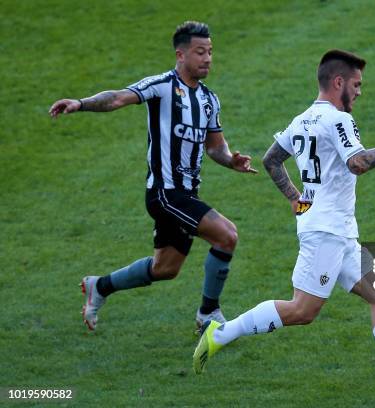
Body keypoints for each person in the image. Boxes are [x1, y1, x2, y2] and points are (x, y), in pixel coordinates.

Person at [192, 49, 375, 397]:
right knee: (303, 310)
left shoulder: (302, 119)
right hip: (326, 231)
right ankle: (220, 334)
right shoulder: (338, 120)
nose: (360, 92)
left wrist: (294, 197)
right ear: (338, 82)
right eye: (357, 84)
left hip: (341, 230)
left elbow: (272, 159)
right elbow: (357, 163)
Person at [48, 21, 257, 331]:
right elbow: (118, 97)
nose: (208, 58)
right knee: (227, 235)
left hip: (186, 194)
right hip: (164, 192)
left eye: (211, 52)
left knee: (165, 268)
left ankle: (99, 287)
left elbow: (215, 148)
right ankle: (208, 315)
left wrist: (231, 160)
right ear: (181, 54)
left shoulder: (209, 100)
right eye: (200, 52)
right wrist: (81, 104)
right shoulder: (161, 86)